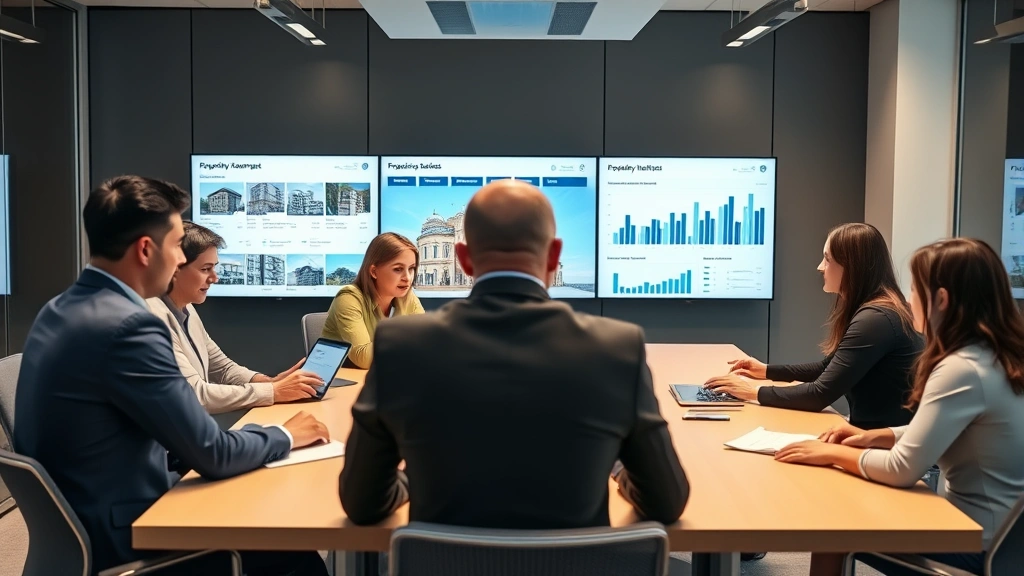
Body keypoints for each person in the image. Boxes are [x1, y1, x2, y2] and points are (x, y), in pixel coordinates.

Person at [14, 176, 330, 576]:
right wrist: (287, 435)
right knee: (294, 552)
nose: (182, 259)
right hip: (131, 535)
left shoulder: (59, 309)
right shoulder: (129, 327)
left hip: (80, 524)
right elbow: (214, 453)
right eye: (178, 244)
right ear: (147, 249)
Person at [338, 179, 690, 528]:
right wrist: (614, 469)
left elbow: (364, 503)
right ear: (554, 255)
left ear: (463, 258)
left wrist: (419, 471)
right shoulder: (618, 348)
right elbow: (666, 501)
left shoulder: (400, 346)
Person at [775, 238, 1024, 576]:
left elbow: (900, 469)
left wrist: (829, 453)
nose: (908, 300)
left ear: (941, 299)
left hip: (976, 543)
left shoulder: (961, 368)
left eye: (914, 289)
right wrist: (879, 435)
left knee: (833, 524)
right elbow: (961, 426)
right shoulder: (996, 356)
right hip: (1008, 541)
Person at [705, 223, 923, 430]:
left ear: (851, 266)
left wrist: (753, 392)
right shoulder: (879, 311)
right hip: (874, 442)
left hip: (888, 454)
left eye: (827, 259)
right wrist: (766, 371)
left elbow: (820, 394)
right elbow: (828, 368)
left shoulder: (876, 319)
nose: (820, 267)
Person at [148, 222, 323, 418]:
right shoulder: (152, 317)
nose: (215, 278)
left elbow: (222, 367)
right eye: (206, 269)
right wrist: (274, 392)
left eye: (214, 268)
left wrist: (269, 383)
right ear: (174, 268)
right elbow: (195, 395)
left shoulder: (186, 306)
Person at [320, 232, 425, 368]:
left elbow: (427, 342)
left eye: (411, 268)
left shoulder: (407, 296)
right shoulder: (348, 298)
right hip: (337, 381)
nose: (408, 278)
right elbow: (364, 358)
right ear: (374, 272)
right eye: (398, 269)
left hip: (382, 378)